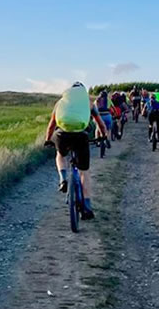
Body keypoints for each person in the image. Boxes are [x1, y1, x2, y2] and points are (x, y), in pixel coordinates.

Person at [44, 83, 110, 219]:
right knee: (84, 172)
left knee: (60, 155)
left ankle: (62, 179)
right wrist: (103, 136)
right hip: (81, 136)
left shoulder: (60, 102)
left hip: (62, 135)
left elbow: (52, 125)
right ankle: (87, 206)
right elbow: (100, 123)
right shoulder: (89, 103)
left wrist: (48, 139)